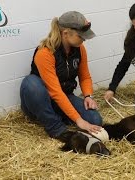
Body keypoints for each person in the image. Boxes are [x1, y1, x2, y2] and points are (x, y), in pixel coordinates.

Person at [20, 11, 102, 142]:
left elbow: (85, 77)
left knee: (95, 120)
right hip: (42, 101)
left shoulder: (80, 49)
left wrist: (88, 95)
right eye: (81, 36)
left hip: (64, 97)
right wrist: (79, 121)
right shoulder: (45, 53)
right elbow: (55, 92)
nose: (84, 39)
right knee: (31, 83)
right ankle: (56, 128)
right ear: (65, 33)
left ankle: (59, 115)